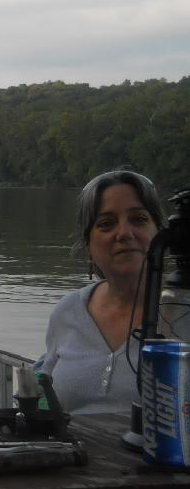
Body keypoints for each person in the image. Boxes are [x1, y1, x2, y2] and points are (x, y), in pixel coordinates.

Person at [36, 169, 165, 414]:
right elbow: (43, 390)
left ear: (160, 232)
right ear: (88, 246)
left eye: (139, 219)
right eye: (106, 224)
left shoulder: (181, 312)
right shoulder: (68, 311)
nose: (125, 233)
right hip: (68, 451)